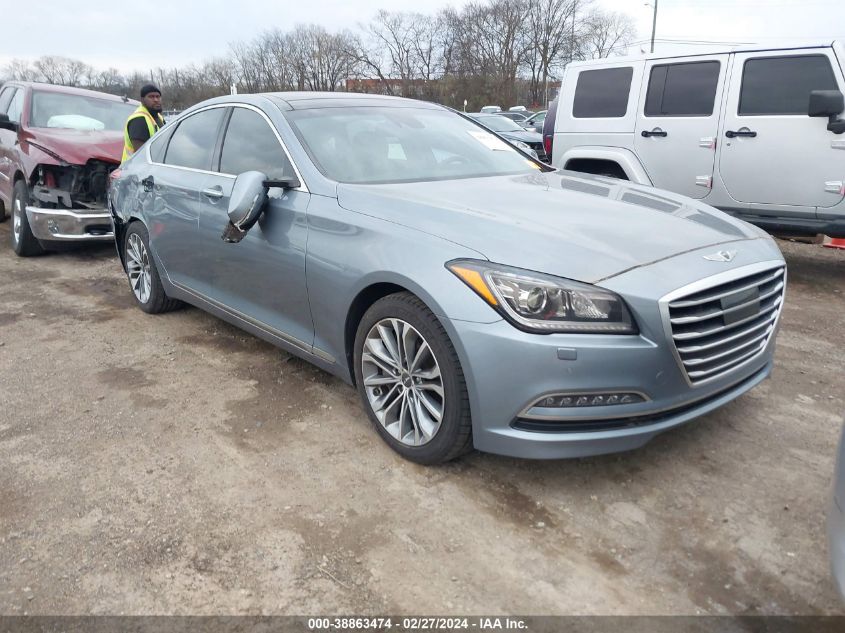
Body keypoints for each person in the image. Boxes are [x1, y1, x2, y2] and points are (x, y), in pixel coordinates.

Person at [122, 84, 165, 162]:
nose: (156, 100)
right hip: (135, 167)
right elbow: (141, 154)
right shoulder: (138, 119)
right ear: (142, 100)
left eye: (158, 96)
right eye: (151, 97)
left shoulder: (159, 117)